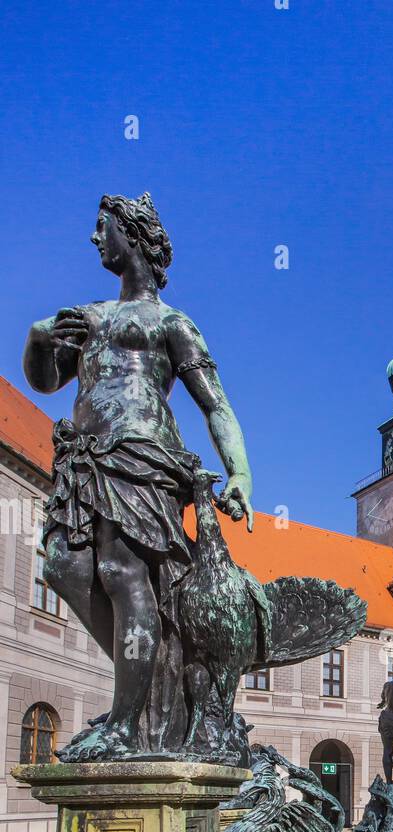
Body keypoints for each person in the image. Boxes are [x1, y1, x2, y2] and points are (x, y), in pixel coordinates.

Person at [23, 192, 254, 759]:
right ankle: (152, 686)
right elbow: (44, 382)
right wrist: (36, 339)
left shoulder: (172, 324)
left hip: (144, 457)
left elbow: (215, 405)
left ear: (134, 235)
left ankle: (128, 723)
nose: (95, 238)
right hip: (86, 460)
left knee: (123, 573)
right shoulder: (90, 317)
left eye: (103, 228)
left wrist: (240, 471)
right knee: (62, 564)